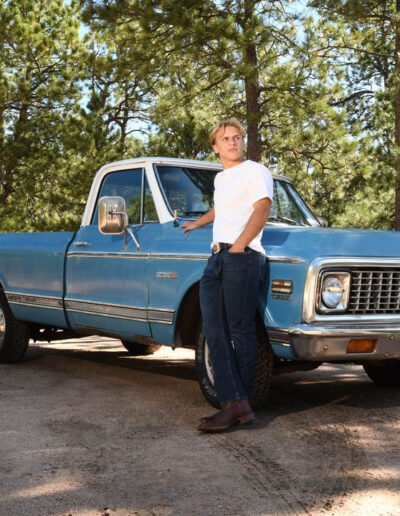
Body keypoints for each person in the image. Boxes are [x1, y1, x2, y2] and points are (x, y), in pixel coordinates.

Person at [182, 119, 273, 433]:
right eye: (226, 138)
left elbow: (262, 208)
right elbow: (221, 208)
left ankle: (234, 403)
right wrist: (198, 223)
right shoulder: (221, 178)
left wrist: (238, 246)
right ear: (215, 146)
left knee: (240, 330)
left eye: (237, 137)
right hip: (216, 258)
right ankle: (237, 405)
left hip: (242, 257)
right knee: (212, 329)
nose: (233, 143)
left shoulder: (255, 171)